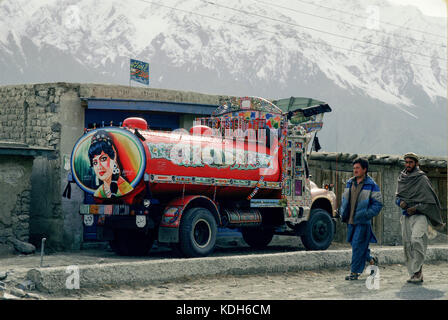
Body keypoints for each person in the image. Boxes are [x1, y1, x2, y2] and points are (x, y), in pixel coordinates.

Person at [395, 152, 445, 284]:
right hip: (406, 216)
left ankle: (418, 271)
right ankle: (414, 273)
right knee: (408, 244)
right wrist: (400, 203)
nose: (408, 165)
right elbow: (397, 197)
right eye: (406, 162)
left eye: (411, 162)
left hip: (420, 216)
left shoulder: (422, 179)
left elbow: (429, 201)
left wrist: (416, 208)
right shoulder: (402, 178)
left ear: (416, 163)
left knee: (416, 240)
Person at [340, 157, 383, 280]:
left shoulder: (371, 185)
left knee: (358, 245)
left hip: (363, 221)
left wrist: (367, 214)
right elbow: (345, 199)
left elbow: (378, 203)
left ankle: (354, 272)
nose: (355, 170)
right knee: (356, 245)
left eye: (358, 168)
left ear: (365, 169)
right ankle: (371, 260)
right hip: (350, 220)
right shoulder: (350, 183)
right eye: (354, 168)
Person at [88, 130, 133, 198]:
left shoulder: (125, 189)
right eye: (95, 162)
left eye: (103, 159)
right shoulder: (98, 193)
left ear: (113, 157)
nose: (99, 167)